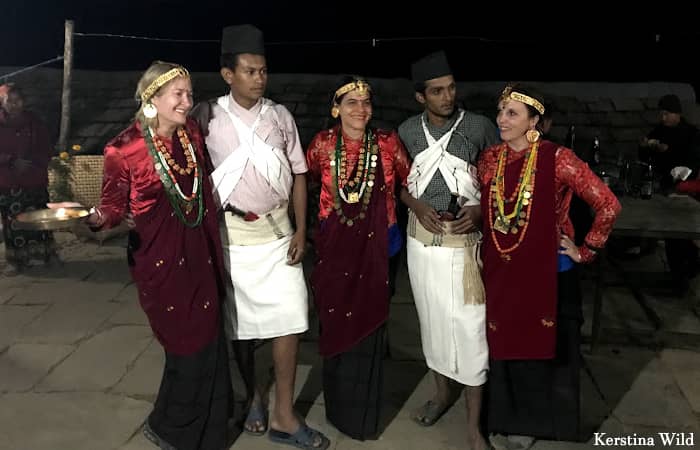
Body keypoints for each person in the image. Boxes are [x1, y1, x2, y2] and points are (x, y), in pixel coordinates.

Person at [75, 61, 232, 450]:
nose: (187, 102)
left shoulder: (190, 133)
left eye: (189, 94)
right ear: (152, 99)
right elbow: (112, 206)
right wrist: (93, 217)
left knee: (209, 338)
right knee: (184, 344)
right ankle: (175, 430)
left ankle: (205, 430)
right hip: (159, 261)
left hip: (200, 251)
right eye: (178, 95)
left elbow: (198, 186)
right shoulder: (124, 149)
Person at [194, 24, 329, 450]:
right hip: (232, 236)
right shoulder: (205, 116)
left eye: (263, 71)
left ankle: (284, 415)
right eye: (250, 70)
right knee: (241, 329)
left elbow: (300, 177)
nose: (259, 78)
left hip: (278, 235)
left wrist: (302, 229)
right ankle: (254, 397)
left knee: (291, 319)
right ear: (227, 74)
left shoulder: (281, 116)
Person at [478, 83, 620, 449]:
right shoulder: (491, 158)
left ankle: (536, 423)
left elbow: (608, 204)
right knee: (502, 344)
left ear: (535, 122)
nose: (502, 119)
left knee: (537, 347)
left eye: (513, 113)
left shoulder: (558, 158)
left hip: (547, 273)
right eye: (501, 111)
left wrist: (585, 249)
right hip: (502, 268)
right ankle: (503, 418)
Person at [397, 50, 498, 450]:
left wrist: (479, 210)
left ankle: (474, 428)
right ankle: (442, 394)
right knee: (432, 323)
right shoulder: (406, 131)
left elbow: (499, 177)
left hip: (466, 247)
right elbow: (399, 184)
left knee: (471, 330)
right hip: (421, 245)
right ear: (420, 97)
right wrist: (416, 205)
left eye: (451, 88)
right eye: (437, 91)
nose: (447, 96)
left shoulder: (479, 127)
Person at [306, 75, 411, 440]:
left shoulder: (386, 143)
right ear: (336, 109)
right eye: (351, 102)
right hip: (336, 248)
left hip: (381, 247)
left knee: (370, 326)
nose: (360, 109)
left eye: (366, 102)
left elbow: (408, 180)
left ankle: (364, 413)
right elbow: (307, 178)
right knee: (335, 322)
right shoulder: (322, 145)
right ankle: (338, 407)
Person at [639, 94, 700, 293]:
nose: (663, 118)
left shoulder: (691, 133)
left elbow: (692, 160)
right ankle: (678, 275)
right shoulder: (661, 130)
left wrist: (668, 151)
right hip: (663, 186)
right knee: (671, 235)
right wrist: (646, 146)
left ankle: (684, 274)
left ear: (677, 114)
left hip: (685, 190)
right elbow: (646, 153)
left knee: (680, 234)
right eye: (661, 114)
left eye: (667, 114)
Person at [0, 83, 54, 275]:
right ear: (2, 103)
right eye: (10, 101)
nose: (15, 104)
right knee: (13, 222)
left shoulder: (34, 122)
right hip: (8, 182)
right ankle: (17, 261)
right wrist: (11, 161)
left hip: (34, 178)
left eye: (18, 100)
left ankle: (46, 255)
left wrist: (33, 162)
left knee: (40, 219)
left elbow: (46, 147)